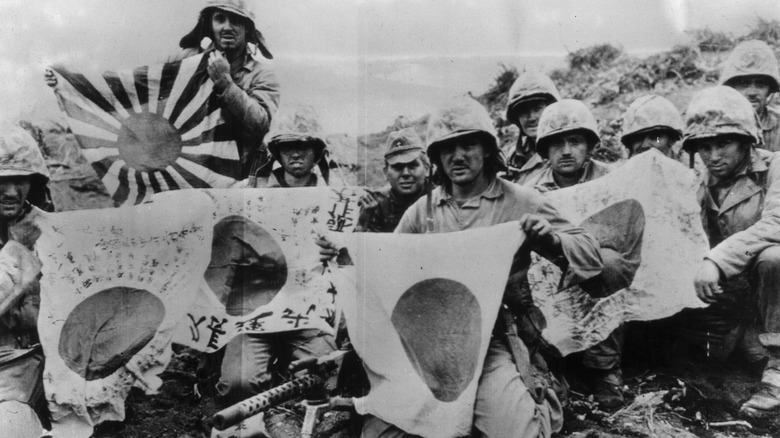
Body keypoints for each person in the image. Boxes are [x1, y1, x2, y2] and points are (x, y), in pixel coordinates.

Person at [323, 96, 603, 437]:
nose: (457, 156)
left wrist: (553, 241)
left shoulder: (521, 200)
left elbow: (590, 256)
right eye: (447, 148)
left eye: (468, 144)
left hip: (495, 337)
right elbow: (387, 274)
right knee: (386, 430)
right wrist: (345, 255)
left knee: (514, 430)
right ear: (436, 156)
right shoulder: (421, 212)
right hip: (430, 341)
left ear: (486, 149)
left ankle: (543, 399)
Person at [44, 0, 281, 181]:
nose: (227, 27)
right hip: (190, 174)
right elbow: (137, 86)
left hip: (240, 176)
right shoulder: (184, 63)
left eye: (236, 21)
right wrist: (72, 81)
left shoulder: (262, 75)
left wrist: (226, 84)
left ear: (248, 30)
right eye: (220, 19)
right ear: (209, 25)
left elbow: (259, 125)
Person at [674, 86, 780, 418]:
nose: (714, 156)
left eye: (724, 144)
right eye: (704, 147)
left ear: (748, 140)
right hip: (733, 306)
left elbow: (777, 222)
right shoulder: (697, 184)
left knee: (774, 258)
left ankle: (777, 372)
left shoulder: (774, 168)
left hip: (773, 299)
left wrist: (716, 261)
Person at [0, 126, 56, 436]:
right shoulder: (22, 241)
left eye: (19, 179)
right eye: (1, 180)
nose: (10, 192)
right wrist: (18, 250)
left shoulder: (47, 229)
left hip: (42, 365)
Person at [525, 99, 612, 192]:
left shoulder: (610, 178)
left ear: (589, 147)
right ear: (546, 151)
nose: (566, 152)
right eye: (557, 144)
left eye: (575, 142)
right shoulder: (532, 191)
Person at [355, 127, 429, 232]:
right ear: (386, 173)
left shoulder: (440, 198)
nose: (406, 173)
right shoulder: (377, 203)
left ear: (426, 168)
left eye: (412, 165)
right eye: (398, 167)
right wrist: (364, 222)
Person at [719, 39, 780, 152]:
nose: (752, 92)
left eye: (760, 84)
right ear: (732, 87)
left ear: (770, 89)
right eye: (744, 84)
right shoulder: (717, 124)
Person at [503, 71, 561, 185]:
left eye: (537, 108)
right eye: (523, 111)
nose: (531, 118)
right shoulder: (515, 158)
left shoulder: (570, 146)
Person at [620, 94, 686, 162]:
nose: (645, 145)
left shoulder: (689, 171)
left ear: (672, 140)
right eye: (638, 138)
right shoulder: (622, 172)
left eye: (654, 137)